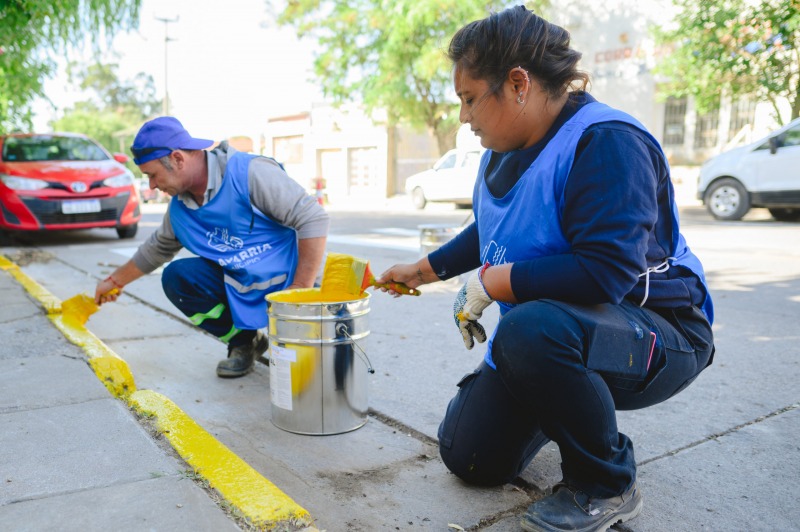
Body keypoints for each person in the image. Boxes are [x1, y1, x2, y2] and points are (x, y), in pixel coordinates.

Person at [377, 6, 714, 531]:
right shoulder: (505, 149)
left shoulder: (606, 143)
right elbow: (491, 230)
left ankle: (605, 483)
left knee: (529, 331)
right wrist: (421, 270)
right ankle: (557, 397)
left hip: (656, 332)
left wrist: (494, 282)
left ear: (517, 84)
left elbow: (606, 274)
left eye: (469, 100)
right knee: (468, 457)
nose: (464, 117)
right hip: (567, 329)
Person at [95, 116, 329, 378]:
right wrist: (114, 281)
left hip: (294, 284)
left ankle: (295, 326)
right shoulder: (180, 208)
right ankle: (245, 342)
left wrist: (299, 291)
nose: (151, 185)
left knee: (312, 379)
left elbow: (313, 218)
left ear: (177, 159)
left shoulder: (249, 172)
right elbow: (157, 248)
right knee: (178, 278)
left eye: (151, 175)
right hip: (242, 284)